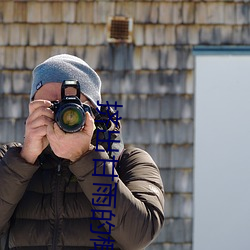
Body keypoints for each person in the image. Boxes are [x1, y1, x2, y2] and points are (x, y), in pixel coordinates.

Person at [0, 54, 164, 250]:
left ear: (93, 111)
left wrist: (85, 158)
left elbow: (139, 235)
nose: (59, 116)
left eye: (70, 107)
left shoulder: (129, 162)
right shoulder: (9, 160)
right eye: (49, 106)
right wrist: (24, 160)